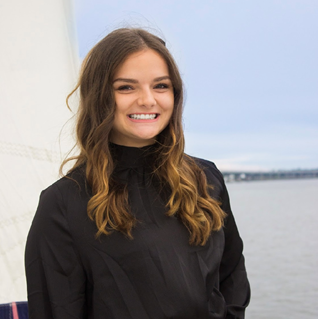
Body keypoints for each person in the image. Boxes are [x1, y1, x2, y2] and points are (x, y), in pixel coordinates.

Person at [25, 28, 250, 319]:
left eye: (160, 86)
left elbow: (232, 277)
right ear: (99, 96)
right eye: (126, 87)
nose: (147, 100)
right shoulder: (63, 204)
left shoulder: (206, 179)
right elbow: (56, 309)